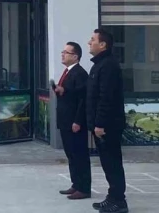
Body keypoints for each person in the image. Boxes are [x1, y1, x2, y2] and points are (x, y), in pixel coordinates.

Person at [87, 29, 127, 213]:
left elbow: (106, 98)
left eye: (93, 40)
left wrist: (100, 124)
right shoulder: (99, 65)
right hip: (101, 124)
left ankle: (119, 201)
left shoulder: (108, 65)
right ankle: (112, 197)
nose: (89, 42)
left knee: (112, 163)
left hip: (108, 126)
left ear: (102, 45)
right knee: (107, 164)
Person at [55, 41, 91, 200]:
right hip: (65, 120)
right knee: (71, 154)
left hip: (74, 122)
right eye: (62, 52)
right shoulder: (68, 72)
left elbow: (82, 99)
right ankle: (76, 184)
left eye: (66, 52)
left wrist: (78, 121)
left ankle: (84, 188)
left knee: (79, 154)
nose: (63, 54)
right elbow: (70, 94)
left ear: (75, 56)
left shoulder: (79, 73)